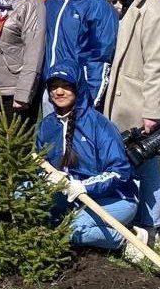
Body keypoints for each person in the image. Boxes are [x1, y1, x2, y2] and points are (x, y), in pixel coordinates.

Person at [103, 0, 160, 246]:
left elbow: (158, 67)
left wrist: (153, 111)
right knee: (131, 161)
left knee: (147, 164)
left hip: (139, 102)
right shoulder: (128, 4)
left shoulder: (155, 12)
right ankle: (136, 219)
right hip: (123, 99)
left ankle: (152, 227)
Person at [39, 62, 143, 259]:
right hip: (71, 197)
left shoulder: (99, 125)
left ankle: (127, 240)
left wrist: (84, 186)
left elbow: (120, 172)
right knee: (25, 198)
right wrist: (48, 178)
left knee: (72, 228)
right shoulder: (46, 126)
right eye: (53, 86)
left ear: (78, 87)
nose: (59, 92)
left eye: (66, 85)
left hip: (116, 197)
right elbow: (40, 164)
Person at [43, 0, 117, 111]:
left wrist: (90, 99)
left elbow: (100, 55)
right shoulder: (50, 4)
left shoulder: (97, 5)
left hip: (78, 89)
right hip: (51, 88)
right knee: (54, 135)